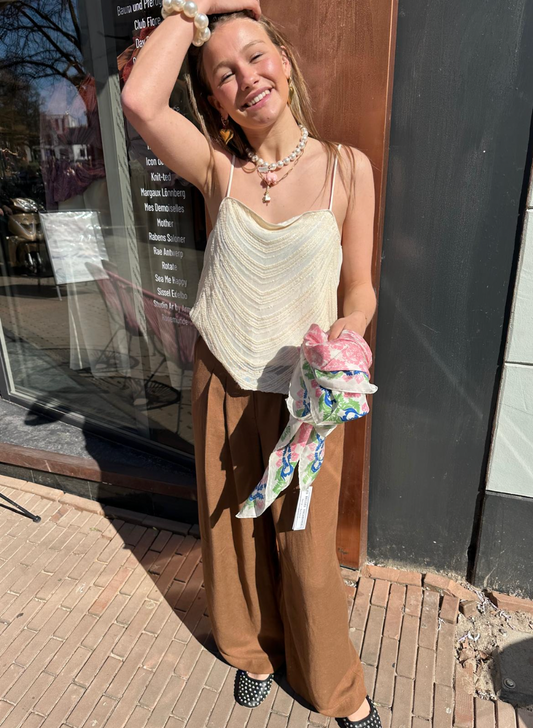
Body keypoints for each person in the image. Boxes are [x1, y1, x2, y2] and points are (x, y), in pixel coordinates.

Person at [121, 2, 379, 725]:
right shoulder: (216, 168)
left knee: (306, 548)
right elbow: (141, 100)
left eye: (257, 55)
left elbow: (359, 287)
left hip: (307, 397)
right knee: (231, 534)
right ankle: (253, 653)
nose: (247, 78)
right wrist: (195, 9)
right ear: (214, 100)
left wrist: (352, 328)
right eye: (224, 73)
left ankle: (335, 687)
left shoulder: (347, 169)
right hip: (224, 378)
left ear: (286, 62)